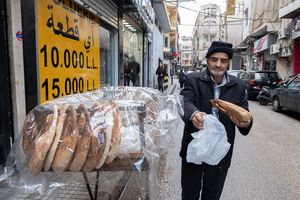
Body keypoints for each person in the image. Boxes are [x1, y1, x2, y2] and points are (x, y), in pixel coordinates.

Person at [180, 41, 253, 200]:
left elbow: (244, 112)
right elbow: (185, 102)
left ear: (228, 63)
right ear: (207, 60)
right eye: (214, 59)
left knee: (212, 195)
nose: (218, 64)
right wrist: (194, 115)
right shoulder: (192, 79)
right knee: (189, 194)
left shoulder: (238, 85)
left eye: (223, 60)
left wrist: (246, 123)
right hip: (195, 149)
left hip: (220, 153)